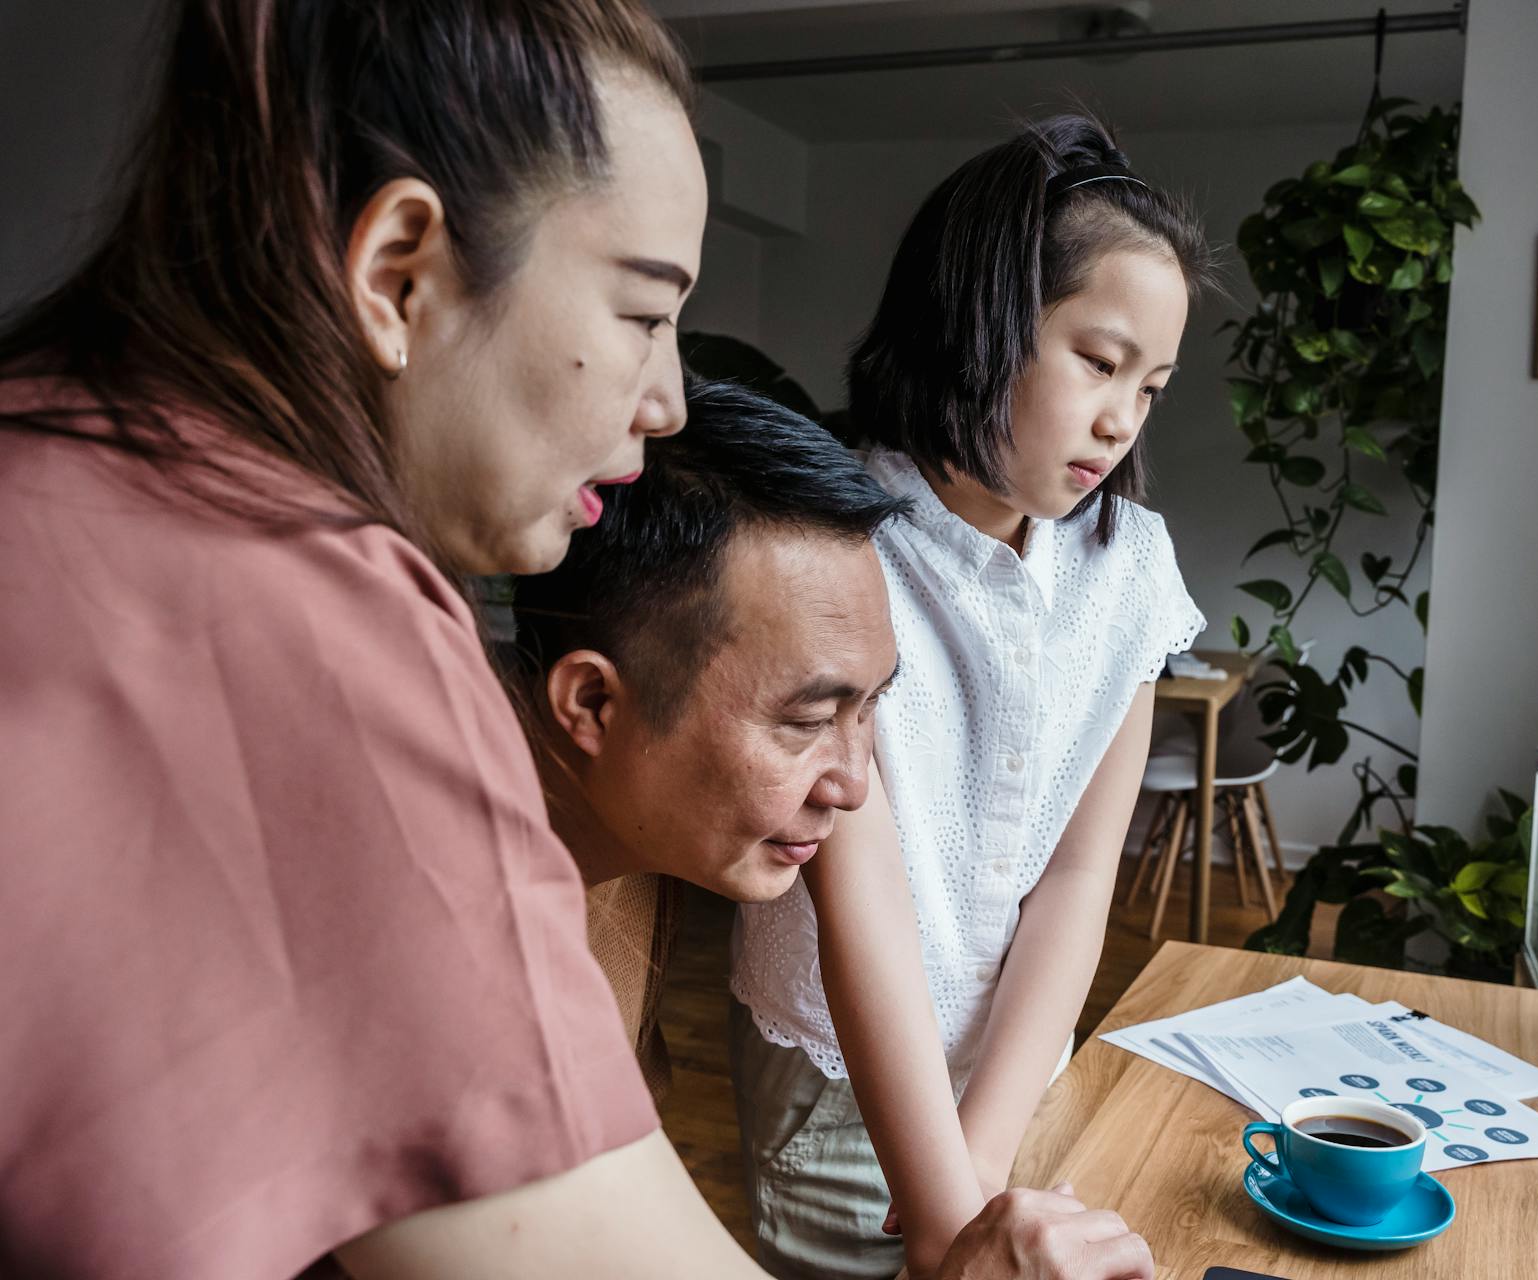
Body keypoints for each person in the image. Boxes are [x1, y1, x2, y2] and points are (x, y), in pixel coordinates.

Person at [0, 1, 1153, 1274]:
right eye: (641, 314)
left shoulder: (62, 468)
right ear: (399, 273)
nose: (663, 402)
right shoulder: (307, 631)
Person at [729, 114, 1213, 1279]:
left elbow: (1079, 874)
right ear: (984, 322)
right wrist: (945, 1209)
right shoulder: (841, 551)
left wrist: (987, 1161)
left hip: (1023, 1073)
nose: (1122, 416)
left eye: (1152, 385)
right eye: (1098, 361)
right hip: (847, 1091)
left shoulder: (1131, 566)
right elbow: (861, 895)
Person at [506, 379, 909, 1100]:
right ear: (593, 703)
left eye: (871, 706)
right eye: (810, 722)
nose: (852, 786)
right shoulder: (446, 933)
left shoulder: (634, 852)